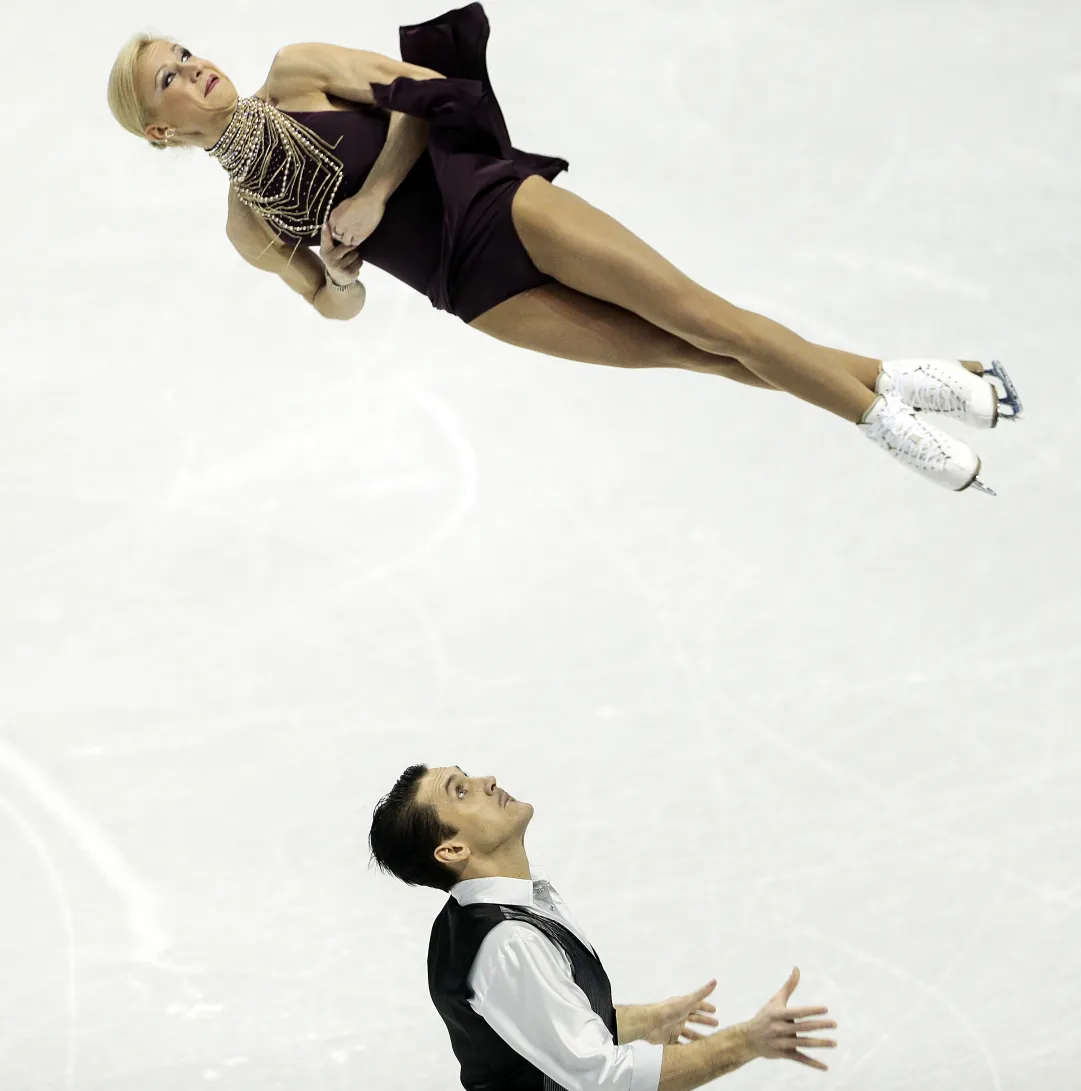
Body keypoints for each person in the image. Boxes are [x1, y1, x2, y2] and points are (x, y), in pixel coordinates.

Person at [107, 3, 1022, 493]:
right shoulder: (247, 221)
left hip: (501, 207)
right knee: (690, 353)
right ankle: (916, 377)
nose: (195, 66)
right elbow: (330, 305)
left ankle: (890, 427)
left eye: (185, 51)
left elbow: (426, 91)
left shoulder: (299, 67)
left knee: (710, 319)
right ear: (158, 129)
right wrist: (343, 272)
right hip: (469, 289)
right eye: (170, 77)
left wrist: (379, 194)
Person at [368, 763, 838, 1091]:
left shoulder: (490, 915)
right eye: (461, 791)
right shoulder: (508, 944)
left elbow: (548, 1028)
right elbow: (605, 1081)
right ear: (451, 851)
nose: (487, 780)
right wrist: (748, 1040)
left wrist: (648, 1018)